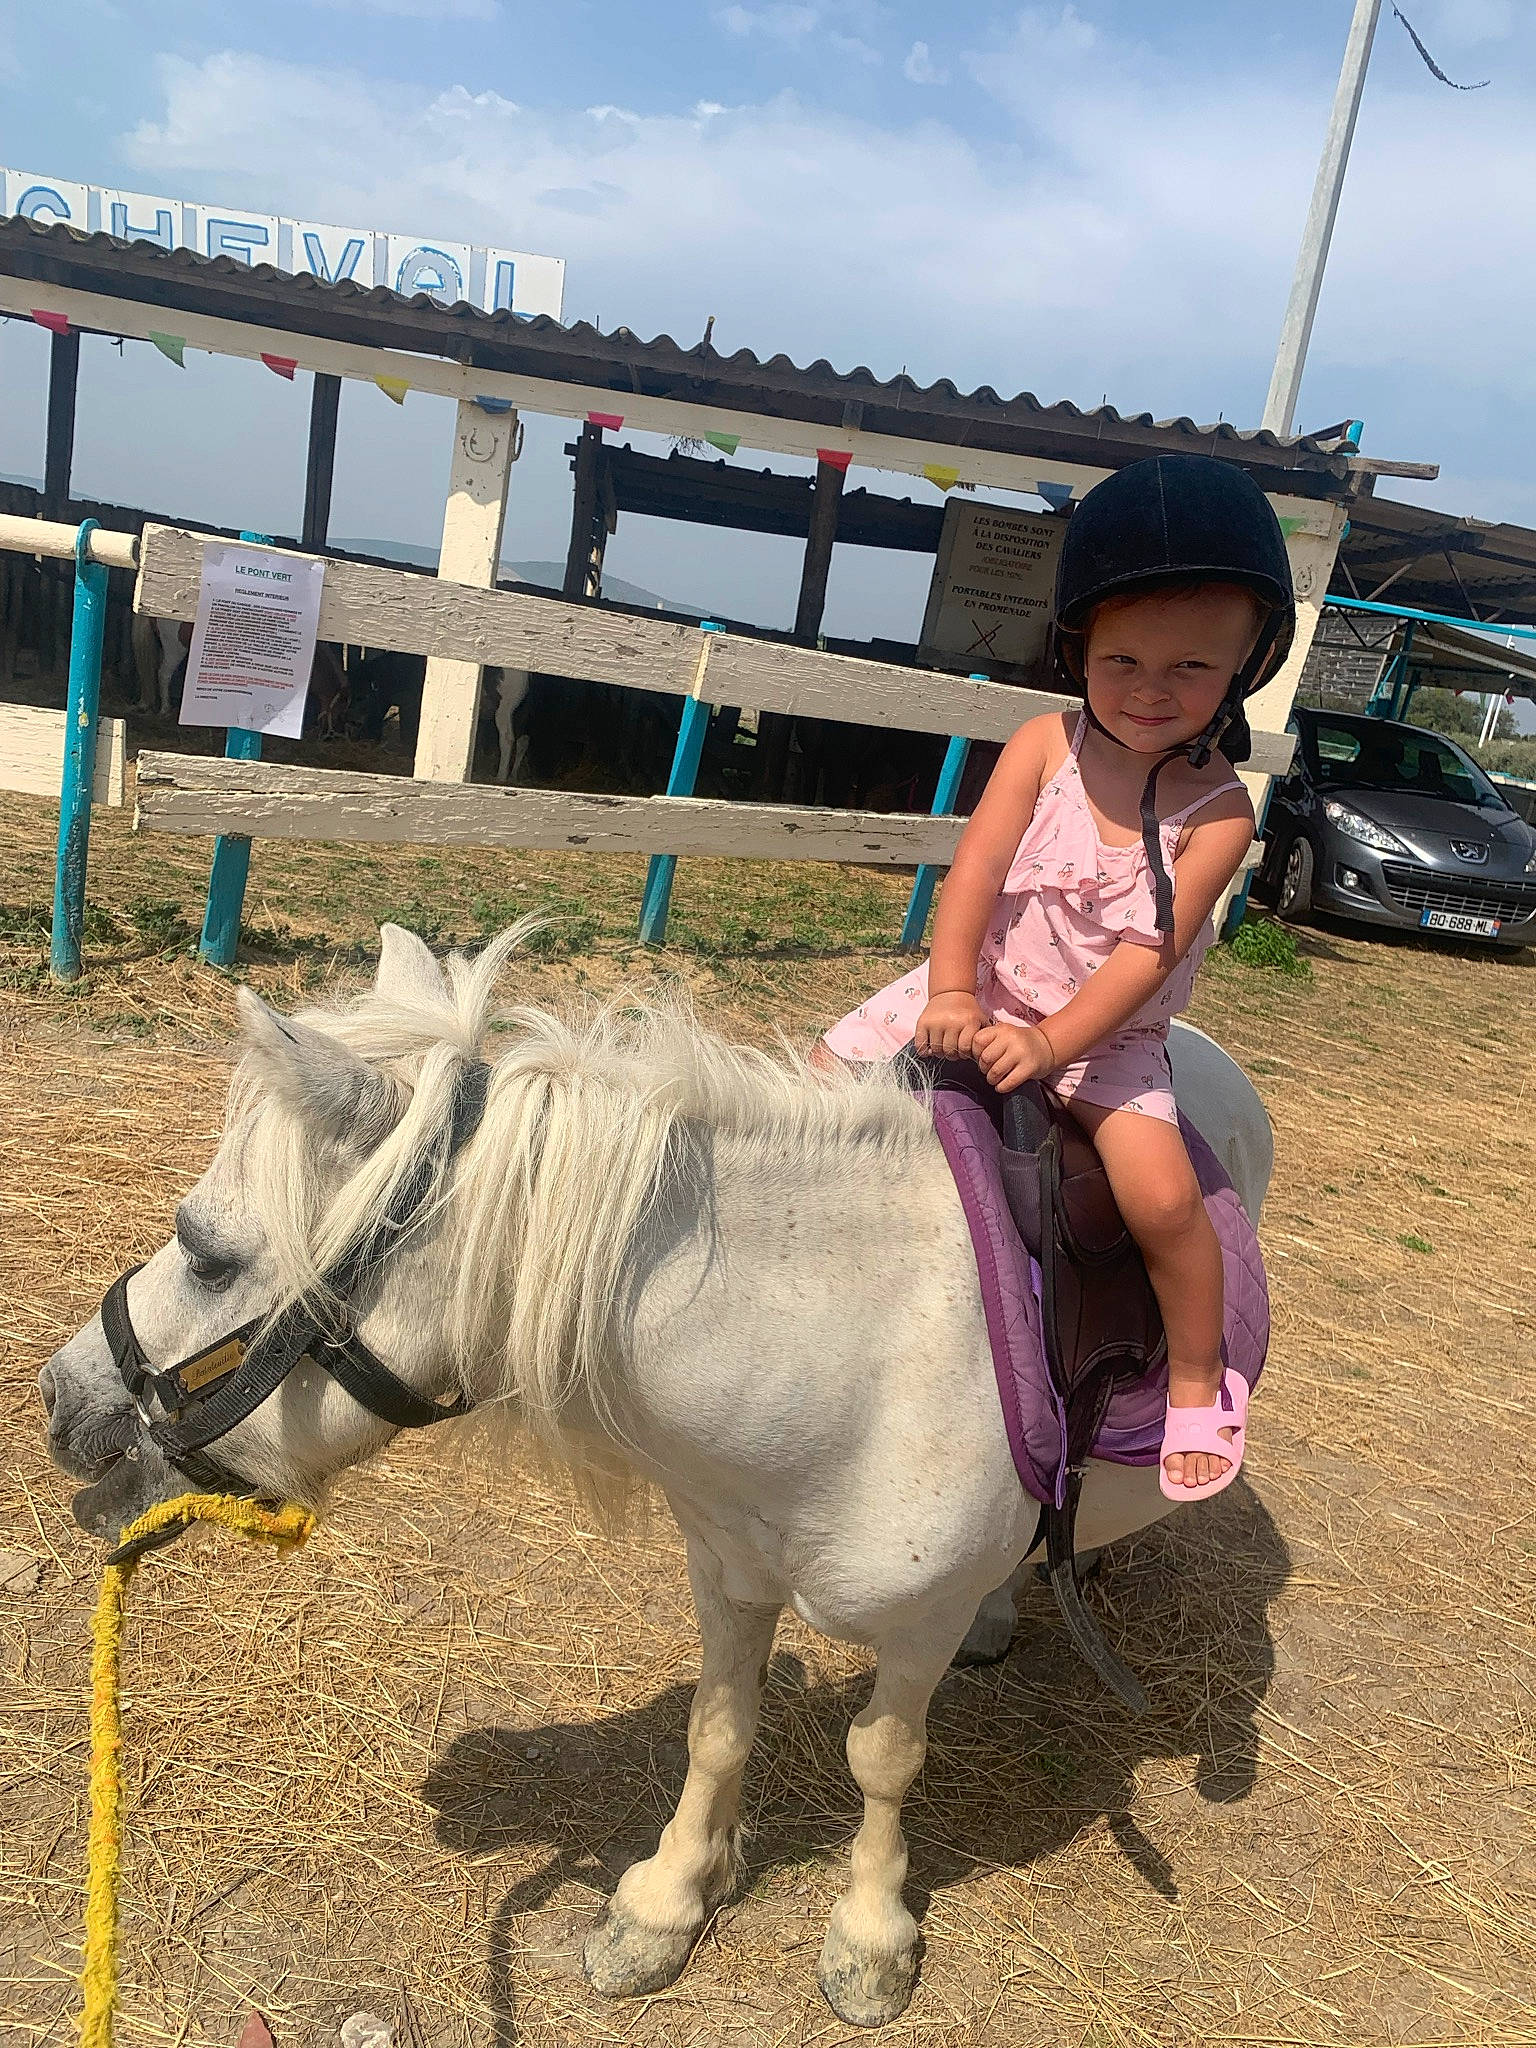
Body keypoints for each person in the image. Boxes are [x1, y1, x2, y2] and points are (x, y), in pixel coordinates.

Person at [823, 454, 1295, 1502]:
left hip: (1105, 1037)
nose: (1151, 690)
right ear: (1079, 644)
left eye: (1192, 669)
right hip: (983, 984)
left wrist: (1051, 1046)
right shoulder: (1043, 742)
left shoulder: (1219, 815)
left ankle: (1192, 1375)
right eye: (1122, 659)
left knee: (1165, 1197)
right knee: (818, 1076)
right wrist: (950, 992)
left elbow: (1145, 957)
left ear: (1246, 663)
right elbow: (980, 871)